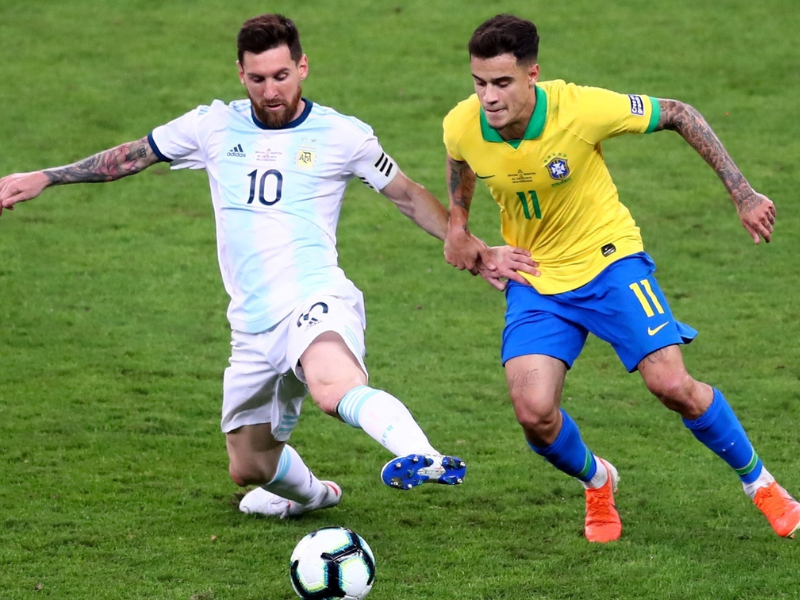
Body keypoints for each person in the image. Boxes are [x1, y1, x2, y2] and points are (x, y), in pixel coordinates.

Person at [0, 14, 535, 519]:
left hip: (314, 298)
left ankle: (424, 455)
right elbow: (133, 155)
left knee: (332, 387)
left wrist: (470, 245)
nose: (270, 90)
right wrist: (47, 176)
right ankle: (314, 496)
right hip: (252, 323)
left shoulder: (341, 135)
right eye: (257, 79)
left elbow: (408, 195)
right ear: (241, 73)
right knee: (250, 466)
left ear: (302, 67)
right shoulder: (212, 125)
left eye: (281, 76)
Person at [442, 13, 799, 542]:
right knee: (534, 414)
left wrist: (743, 193)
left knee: (672, 385)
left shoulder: (580, 109)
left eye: (501, 83)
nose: (488, 97)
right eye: (479, 82)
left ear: (532, 74)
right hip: (537, 278)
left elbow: (678, 112)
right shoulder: (462, 123)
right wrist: (458, 225)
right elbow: (460, 161)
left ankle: (761, 484)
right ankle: (598, 479)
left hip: (610, 262)